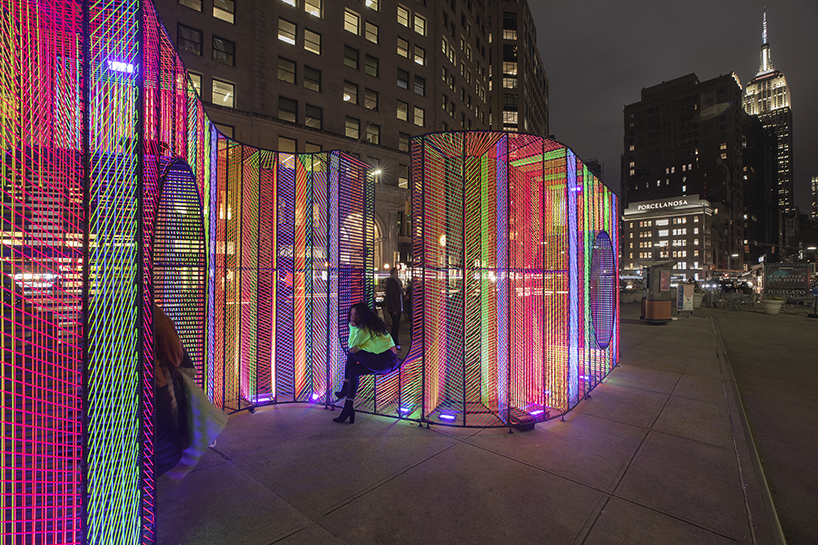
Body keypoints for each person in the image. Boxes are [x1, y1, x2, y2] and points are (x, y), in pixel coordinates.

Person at [333, 302, 398, 424]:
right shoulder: (373, 325)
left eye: (356, 315)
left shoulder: (365, 328)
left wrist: (352, 328)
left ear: (362, 315)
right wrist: (358, 348)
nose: (352, 318)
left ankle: (345, 388)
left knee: (352, 354)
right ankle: (348, 407)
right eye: (351, 315)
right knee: (353, 371)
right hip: (385, 361)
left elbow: (351, 345)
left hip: (383, 361)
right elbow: (362, 345)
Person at [384, 267, 404, 349]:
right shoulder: (391, 283)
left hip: (398, 307)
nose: (397, 275)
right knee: (395, 326)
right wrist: (393, 309)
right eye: (396, 273)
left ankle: (393, 342)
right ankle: (394, 343)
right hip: (395, 307)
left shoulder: (397, 282)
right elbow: (390, 297)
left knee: (396, 325)